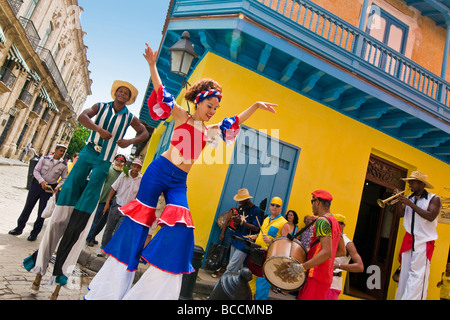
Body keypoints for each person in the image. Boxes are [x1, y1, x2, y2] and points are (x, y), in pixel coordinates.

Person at [84, 43, 277, 300]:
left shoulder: (210, 131)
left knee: (183, 227)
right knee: (139, 223)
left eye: (215, 109)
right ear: (198, 103)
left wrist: (255, 105)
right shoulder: (181, 117)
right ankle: (111, 288)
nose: (212, 112)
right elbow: (162, 91)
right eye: (210, 106)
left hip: (179, 181)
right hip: (159, 171)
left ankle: (147, 290)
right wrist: (152, 65)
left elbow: (236, 120)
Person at [23, 80, 148, 298]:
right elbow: (82, 116)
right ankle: (65, 202)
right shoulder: (101, 106)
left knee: (92, 190)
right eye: (120, 90)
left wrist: (129, 141)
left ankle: (83, 210)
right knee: (74, 181)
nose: (122, 94)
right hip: (89, 150)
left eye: (126, 93)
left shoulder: (129, 117)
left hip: (105, 158)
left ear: (129, 99)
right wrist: (98, 129)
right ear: (115, 93)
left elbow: (144, 132)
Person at [284, 190, 344, 300]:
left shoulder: (322, 221)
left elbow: (327, 252)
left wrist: (301, 267)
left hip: (315, 274)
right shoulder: (336, 223)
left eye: (312, 201)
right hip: (325, 275)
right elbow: (341, 251)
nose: (312, 205)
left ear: (317, 202)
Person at [394, 171, 441, 300]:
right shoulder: (410, 198)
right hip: (409, 240)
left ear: (421, 184)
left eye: (412, 182)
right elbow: (400, 215)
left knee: (418, 275)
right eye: (409, 182)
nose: (410, 185)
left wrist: (411, 205)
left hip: (423, 241)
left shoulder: (434, 199)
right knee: (404, 274)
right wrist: (399, 201)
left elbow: (431, 216)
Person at [9, 144, 68, 241]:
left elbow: (64, 179)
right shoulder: (44, 159)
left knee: (42, 212)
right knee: (28, 207)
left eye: (63, 152)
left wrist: (58, 186)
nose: (62, 153)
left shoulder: (63, 165)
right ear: (56, 150)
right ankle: (19, 228)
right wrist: (41, 181)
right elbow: (36, 171)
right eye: (60, 150)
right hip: (37, 186)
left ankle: (34, 233)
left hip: (49, 189)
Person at [247, 196, 287, 300]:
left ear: (281, 208)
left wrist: (271, 242)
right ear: (269, 206)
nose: (274, 207)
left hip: (268, 256)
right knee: (251, 280)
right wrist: (255, 237)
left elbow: (285, 244)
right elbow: (261, 233)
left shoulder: (283, 223)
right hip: (257, 253)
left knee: (262, 285)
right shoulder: (266, 219)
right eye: (272, 204)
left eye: (277, 206)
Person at [100, 158, 143, 249]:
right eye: (134, 166)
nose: (135, 169)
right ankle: (103, 248)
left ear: (140, 169)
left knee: (119, 231)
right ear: (131, 166)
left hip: (127, 210)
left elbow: (138, 195)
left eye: (138, 167)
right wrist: (108, 202)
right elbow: (114, 188)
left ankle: (111, 250)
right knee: (109, 228)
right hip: (117, 205)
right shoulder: (124, 174)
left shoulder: (141, 179)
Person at [86, 154, 126, 247]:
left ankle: (93, 236)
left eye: (122, 161)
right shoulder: (109, 170)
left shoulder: (123, 174)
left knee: (103, 223)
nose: (119, 163)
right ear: (115, 161)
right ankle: (89, 238)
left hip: (114, 202)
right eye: (118, 160)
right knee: (97, 220)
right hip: (103, 199)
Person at [325, 214, 364, 300]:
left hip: (333, 283)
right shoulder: (327, 238)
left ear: (344, 225)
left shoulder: (348, 243)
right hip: (321, 279)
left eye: (339, 223)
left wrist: (338, 266)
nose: (336, 225)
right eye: (333, 223)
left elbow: (360, 267)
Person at [223, 188, 260, 275]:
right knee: (235, 268)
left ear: (247, 200)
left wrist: (242, 222)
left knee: (230, 268)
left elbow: (256, 228)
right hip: (236, 239)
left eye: (241, 201)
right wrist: (235, 221)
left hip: (244, 242)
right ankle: (232, 286)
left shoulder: (256, 210)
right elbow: (237, 225)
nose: (239, 203)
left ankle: (221, 286)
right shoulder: (241, 208)